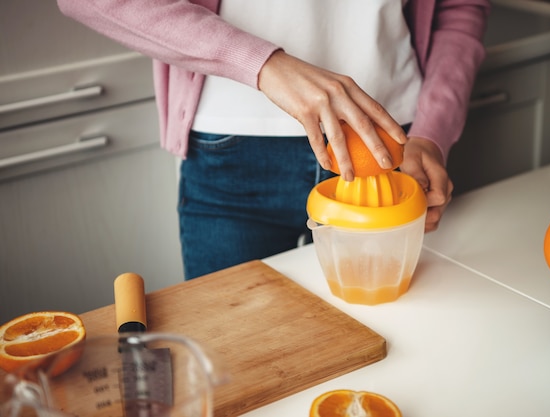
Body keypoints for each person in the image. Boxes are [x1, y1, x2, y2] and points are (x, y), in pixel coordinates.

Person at [57, 0, 491, 280]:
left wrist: (431, 133)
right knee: (237, 361)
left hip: (391, 150)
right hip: (232, 152)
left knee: (398, 346)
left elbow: (459, 9)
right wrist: (262, 64)